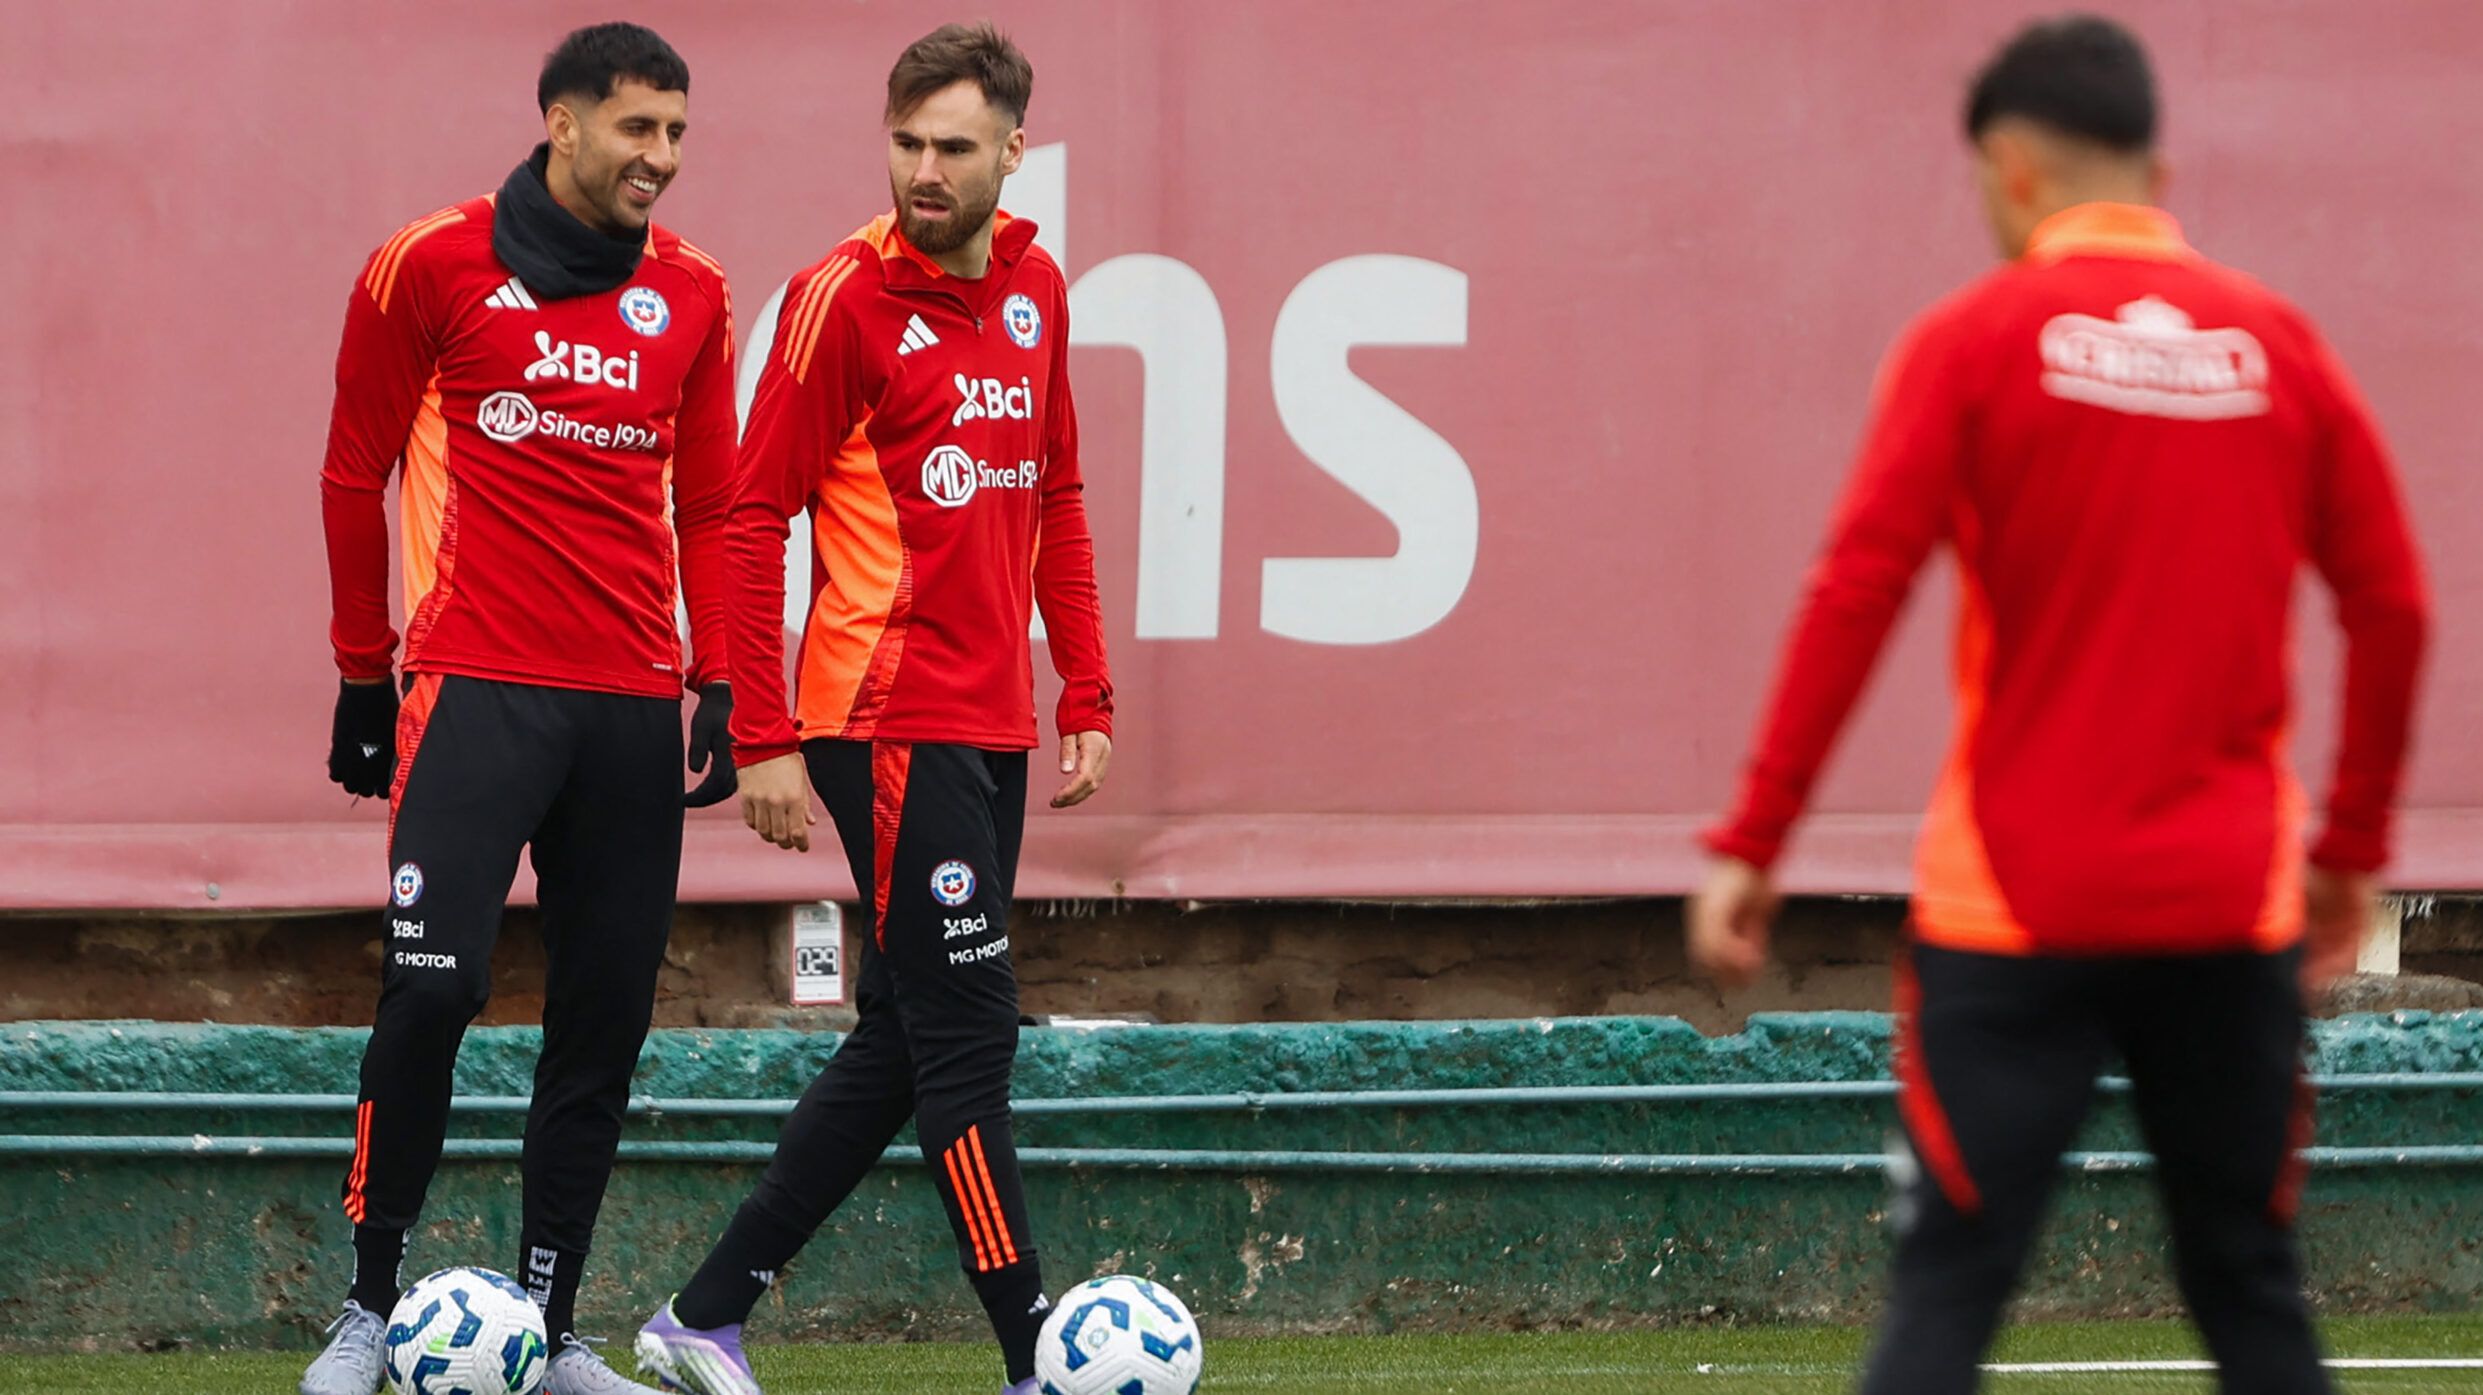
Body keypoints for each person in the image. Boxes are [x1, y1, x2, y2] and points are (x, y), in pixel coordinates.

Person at [1688, 15, 2429, 1395]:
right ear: (2156, 171)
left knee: (1949, 1293)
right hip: (2225, 907)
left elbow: (1858, 588)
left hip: (2013, 911)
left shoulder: (1971, 341)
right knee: (2248, 1289)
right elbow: (2394, 609)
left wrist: (1755, 841)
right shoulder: (2279, 349)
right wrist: (2351, 855)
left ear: (2011, 167)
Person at [631, 22, 1114, 1395]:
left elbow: (1058, 490)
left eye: (955, 147)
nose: (925, 172)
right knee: (970, 1034)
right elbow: (749, 518)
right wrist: (763, 731)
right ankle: (1034, 1355)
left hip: (992, 720)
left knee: (910, 1029)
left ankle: (705, 1313)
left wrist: (1084, 682)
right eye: (906, 144)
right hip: (881, 719)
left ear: (1013, 152)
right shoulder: (839, 298)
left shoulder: (1038, 288)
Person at [302, 22, 737, 1395]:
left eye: (677, 132)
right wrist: (362, 668)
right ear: (562, 122)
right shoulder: (431, 261)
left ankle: (548, 1332)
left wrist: (724, 676)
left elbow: (715, 504)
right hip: (477, 693)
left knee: (601, 1027)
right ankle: (368, 1311)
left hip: (628, 711)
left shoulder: (696, 290)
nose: (660, 158)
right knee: (431, 995)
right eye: (637, 129)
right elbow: (352, 470)